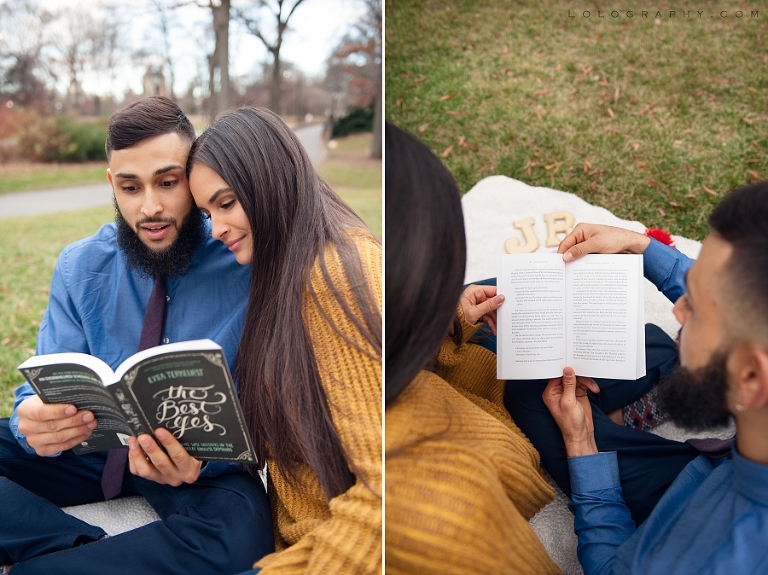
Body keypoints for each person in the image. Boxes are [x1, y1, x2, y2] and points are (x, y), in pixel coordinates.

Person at [0, 96, 273, 575]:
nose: (150, 207)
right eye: (130, 187)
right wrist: (32, 418)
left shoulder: (243, 261)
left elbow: (265, 408)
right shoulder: (80, 265)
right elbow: (42, 381)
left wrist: (202, 464)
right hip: (92, 452)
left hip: (194, 470)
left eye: (168, 183)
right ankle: (71, 546)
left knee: (243, 538)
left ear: (193, 177)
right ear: (112, 184)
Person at [186, 107, 382, 573]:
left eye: (227, 202)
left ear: (269, 180)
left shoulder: (334, 272)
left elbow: (386, 492)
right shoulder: (284, 271)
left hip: (338, 547)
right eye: (207, 213)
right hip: (307, 536)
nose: (216, 230)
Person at [542, 181, 768, 573]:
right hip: (719, 463)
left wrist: (581, 444)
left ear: (751, 378)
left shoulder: (698, 558)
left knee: (534, 393)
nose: (677, 309)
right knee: (655, 343)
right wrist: (641, 247)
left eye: (693, 309)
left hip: (692, 493)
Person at [384, 123, 560, 574]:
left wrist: (453, 321)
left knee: (514, 290)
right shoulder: (458, 525)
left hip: (444, 364)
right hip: (508, 411)